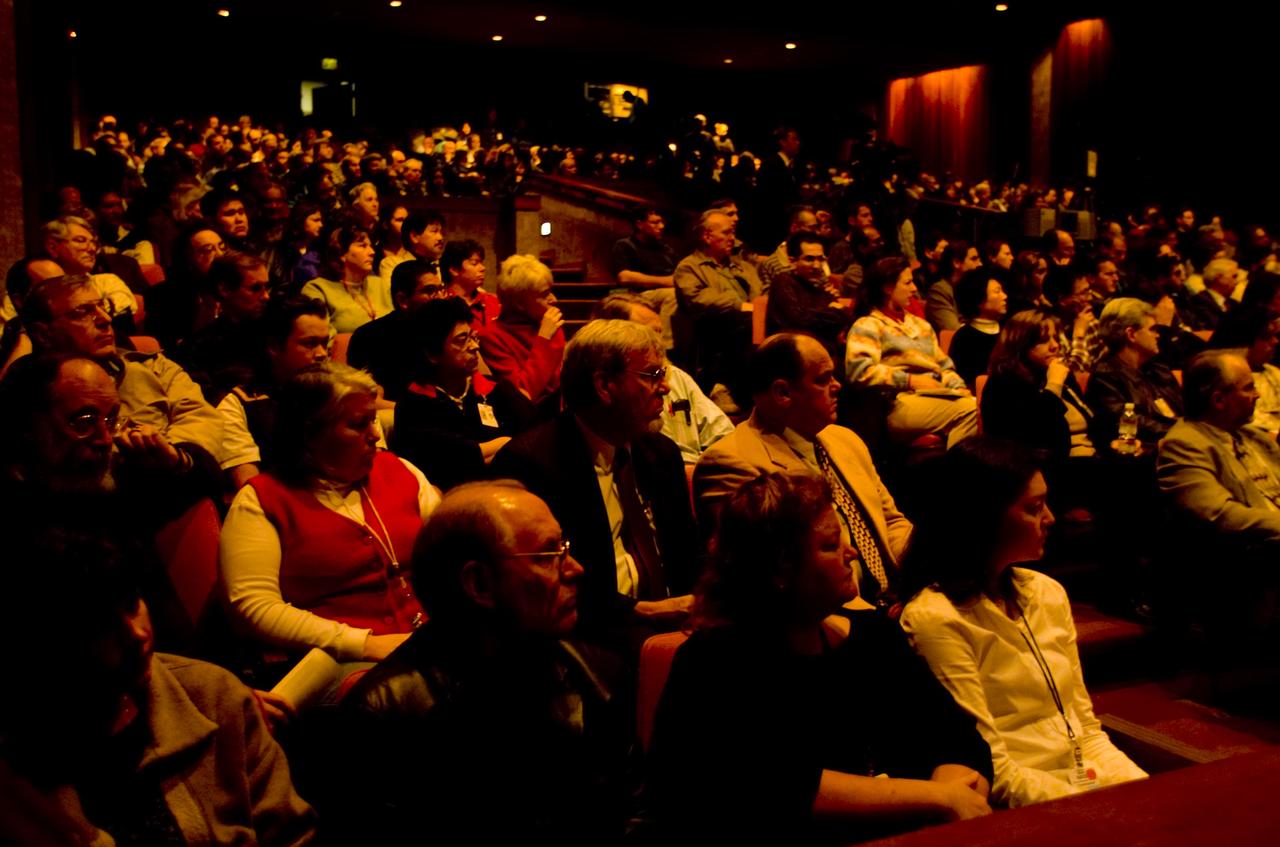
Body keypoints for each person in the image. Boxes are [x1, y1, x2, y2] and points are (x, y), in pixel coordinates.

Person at [649, 470, 993, 843]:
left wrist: (950, 803)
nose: (852, 553)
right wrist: (936, 798)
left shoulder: (875, 638)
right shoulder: (714, 665)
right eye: (830, 546)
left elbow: (959, 740)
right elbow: (774, 788)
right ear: (780, 568)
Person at [338, 482, 633, 843]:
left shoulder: (599, 675)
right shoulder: (386, 717)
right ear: (479, 584)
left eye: (564, 547)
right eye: (547, 555)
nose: (575, 569)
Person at [0, 526, 317, 846]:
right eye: (102, 624)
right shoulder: (20, 761)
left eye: (132, 603)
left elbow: (292, 833)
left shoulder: (212, 695)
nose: (135, 634)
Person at [899, 439, 1147, 808]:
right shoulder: (937, 618)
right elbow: (994, 769)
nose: (1050, 517)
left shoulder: (1046, 593)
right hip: (1024, 806)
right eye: (1034, 508)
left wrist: (1140, 790)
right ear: (986, 517)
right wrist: (1097, 806)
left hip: (1082, 786)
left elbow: (1086, 730)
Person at [491, 319, 698, 643]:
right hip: (588, 639)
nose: (665, 387)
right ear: (604, 386)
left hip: (676, 629)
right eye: (652, 375)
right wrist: (644, 611)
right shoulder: (531, 465)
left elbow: (688, 555)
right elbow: (540, 588)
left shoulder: (660, 454)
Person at [220, 362, 439, 662]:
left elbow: (450, 552)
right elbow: (254, 607)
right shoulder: (260, 500)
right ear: (310, 434)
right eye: (359, 424)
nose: (375, 435)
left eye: (373, 421)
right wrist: (364, 645)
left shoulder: (400, 470)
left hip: (429, 640)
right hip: (338, 661)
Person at [696, 333, 912, 605]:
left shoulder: (846, 440)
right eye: (823, 379)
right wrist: (876, 622)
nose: (837, 386)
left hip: (892, 599)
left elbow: (891, 522)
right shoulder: (732, 463)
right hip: (824, 618)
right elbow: (776, 578)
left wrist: (928, 568)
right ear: (783, 393)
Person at [23, 274, 224, 478]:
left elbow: (203, 419)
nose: (105, 319)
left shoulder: (154, 366)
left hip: (178, 477)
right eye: (83, 312)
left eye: (103, 306)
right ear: (43, 334)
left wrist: (167, 452)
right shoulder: (30, 390)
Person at [393, 297, 532, 490]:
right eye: (462, 340)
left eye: (473, 337)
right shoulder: (414, 404)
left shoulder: (496, 391)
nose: (475, 346)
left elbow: (534, 438)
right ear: (432, 354)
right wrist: (504, 443)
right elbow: (448, 460)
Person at [846, 257, 979, 449]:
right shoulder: (868, 324)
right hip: (897, 402)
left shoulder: (921, 326)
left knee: (982, 408)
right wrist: (909, 380)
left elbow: (945, 367)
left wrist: (958, 387)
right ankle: (956, 473)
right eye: (907, 283)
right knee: (970, 411)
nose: (915, 288)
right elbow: (859, 371)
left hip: (935, 395)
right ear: (888, 288)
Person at [593, 294, 732, 464]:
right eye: (649, 333)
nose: (659, 343)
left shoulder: (678, 377)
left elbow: (723, 433)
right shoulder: (612, 388)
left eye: (659, 332)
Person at [217, 296, 332, 490]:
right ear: (274, 346)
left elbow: (376, 465)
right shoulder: (238, 405)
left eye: (324, 343)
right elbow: (250, 490)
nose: (321, 353)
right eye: (310, 343)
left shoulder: (345, 395)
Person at [1085, 297, 1183, 456]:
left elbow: (1185, 409)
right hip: (1150, 453)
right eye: (1153, 329)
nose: (1158, 335)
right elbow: (1130, 422)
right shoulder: (1105, 377)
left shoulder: (1158, 369)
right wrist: (1182, 431)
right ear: (1131, 334)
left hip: (1177, 441)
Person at [346, 259, 446, 402]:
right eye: (430, 291)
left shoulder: (446, 331)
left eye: (440, 290)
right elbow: (364, 399)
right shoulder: (369, 337)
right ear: (403, 300)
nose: (440, 298)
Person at [478, 253, 565, 408]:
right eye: (544, 294)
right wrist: (543, 338)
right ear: (519, 303)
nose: (554, 299)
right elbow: (523, 395)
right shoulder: (491, 336)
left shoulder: (548, 324)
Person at [300, 225, 392, 333]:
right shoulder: (317, 288)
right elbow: (318, 333)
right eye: (362, 246)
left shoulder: (380, 284)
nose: (372, 252)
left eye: (371, 246)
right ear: (342, 253)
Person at [1207, 306, 1280, 435]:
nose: (1275, 342)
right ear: (1242, 341)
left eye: (1275, 336)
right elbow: (1247, 427)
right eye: (1266, 337)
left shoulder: (1273, 371)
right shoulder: (1222, 380)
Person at [611, 206, 678, 347]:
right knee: (672, 295)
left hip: (663, 294)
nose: (661, 226)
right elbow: (625, 277)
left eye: (662, 222)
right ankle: (664, 346)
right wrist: (665, 281)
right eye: (655, 222)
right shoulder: (624, 245)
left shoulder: (666, 250)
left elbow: (677, 276)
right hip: (635, 295)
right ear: (639, 224)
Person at [948, 266, 1009, 389]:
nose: (1005, 296)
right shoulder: (964, 338)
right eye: (997, 292)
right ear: (979, 299)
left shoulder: (1010, 330)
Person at [441, 238, 500, 329]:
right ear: (454, 270)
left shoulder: (493, 301)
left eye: (481, 263)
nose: (482, 268)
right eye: (474, 263)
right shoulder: (442, 304)